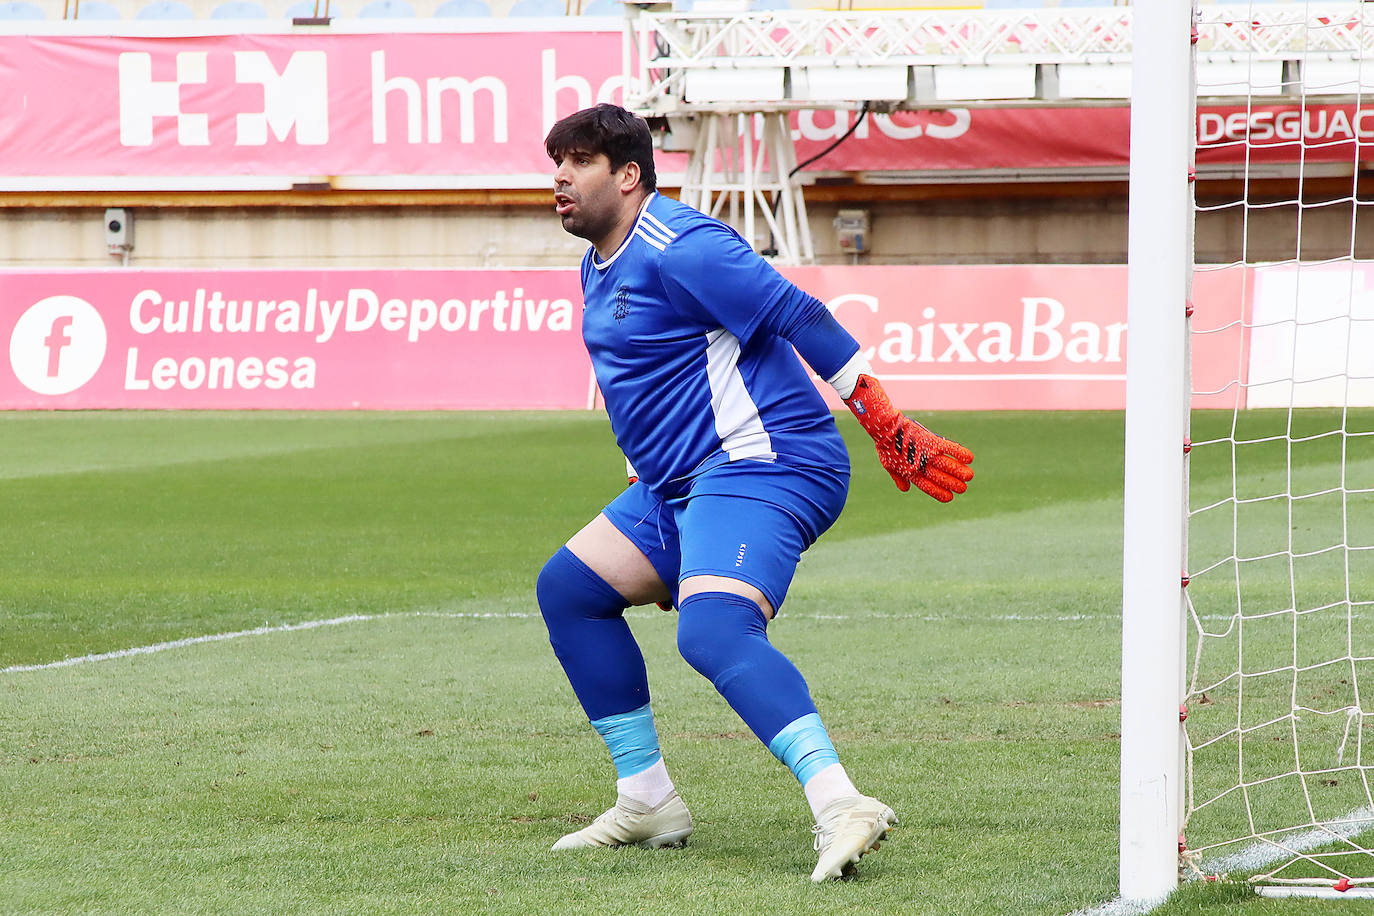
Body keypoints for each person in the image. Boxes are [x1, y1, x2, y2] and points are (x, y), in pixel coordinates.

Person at [536, 103, 974, 882]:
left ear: (629, 175)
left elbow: (799, 313)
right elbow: (652, 378)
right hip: (679, 482)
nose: (559, 178)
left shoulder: (684, 247)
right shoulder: (598, 260)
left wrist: (881, 416)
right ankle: (647, 799)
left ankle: (842, 802)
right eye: (555, 163)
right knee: (570, 589)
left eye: (577, 162)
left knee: (711, 630)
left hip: (766, 460)